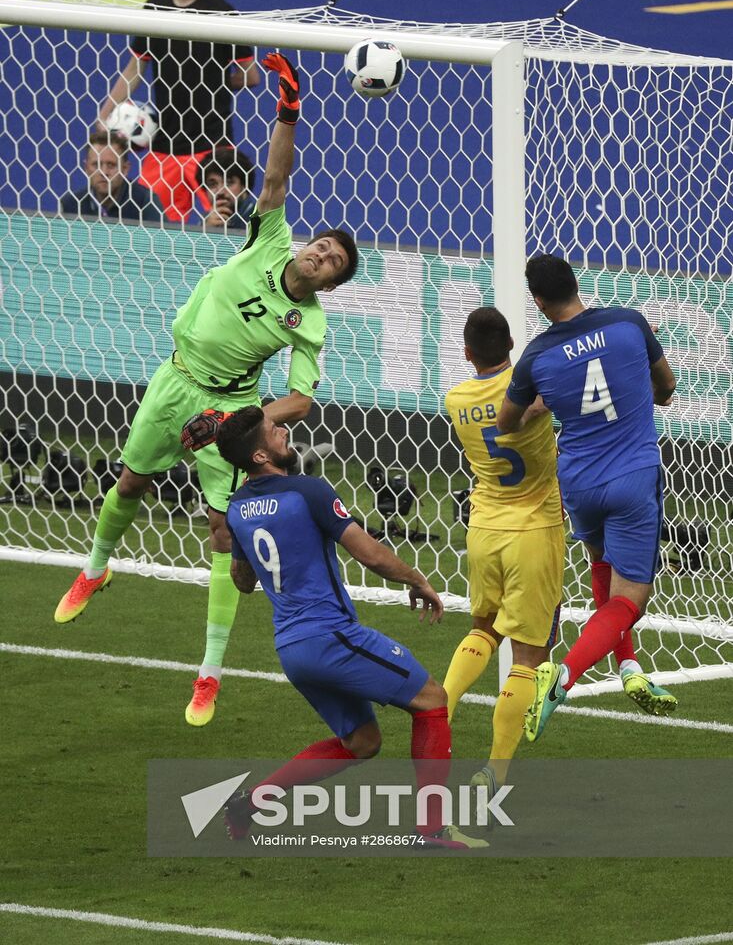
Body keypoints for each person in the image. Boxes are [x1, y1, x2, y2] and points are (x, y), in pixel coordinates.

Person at [54, 54, 360, 731]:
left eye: (332, 261)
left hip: (227, 408)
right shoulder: (270, 239)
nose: (319, 255)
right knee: (130, 482)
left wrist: (233, 419)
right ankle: (96, 569)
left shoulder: (308, 322)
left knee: (224, 531)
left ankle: (208, 675)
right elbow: (276, 173)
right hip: (175, 381)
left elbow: (301, 402)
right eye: (321, 246)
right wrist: (287, 107)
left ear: (332, 284)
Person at [214, 405, 488, 850]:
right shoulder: (309, 491)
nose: (284, 431)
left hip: (292, 649)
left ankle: (249, 804)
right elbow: (369, 552)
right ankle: (431, 830)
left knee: (362, 742)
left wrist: (238, 539)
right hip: (331, 637)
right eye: (273, 430)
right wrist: (417, 580)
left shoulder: (238, 509)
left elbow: (243, 582)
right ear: (261, 456)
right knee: (432, 700)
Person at [496, 254, 678, 742]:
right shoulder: (629, 323)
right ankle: (565, 673)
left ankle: (628, 666)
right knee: (630, 599)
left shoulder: (535, 357)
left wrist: (540, 404)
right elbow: (667, 387)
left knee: (602, 566)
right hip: (633, 478)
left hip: (579, 483)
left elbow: (507, 423)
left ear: (537, 301)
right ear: (577, 284)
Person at [442, 307, 564, 791]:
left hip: (485, 525)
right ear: (513, 344)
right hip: (534, 527)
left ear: (467, 351)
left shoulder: (455, 398)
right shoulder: (535, 384)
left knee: (483, 629)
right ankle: (495, 772)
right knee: (528, 657)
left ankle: (440, 708)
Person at [97, 0, 260, 223]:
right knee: (151, 229)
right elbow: (135, 68)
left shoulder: (222, 13)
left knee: (228, 226)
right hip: (164, 148)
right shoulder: (155, 8)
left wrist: (215, 82)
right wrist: (104, 115)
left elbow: (251, 75)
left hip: (214, 146)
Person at [60, 131, 164, 223]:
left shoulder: (145, 201)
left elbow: (161, 243)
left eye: (111, 165)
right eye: (96, 165)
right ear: (86, 168)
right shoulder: (71, 204)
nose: (104, 172)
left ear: (125, 169)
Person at [195, 148, 256, 230]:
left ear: (244, 186)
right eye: (212, 184)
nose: (220, 192)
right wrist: (207, 232)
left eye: (229, 183)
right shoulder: (206, 221)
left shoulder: (261, 217)